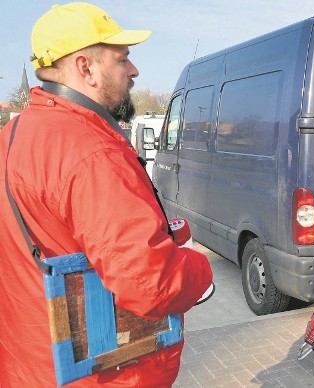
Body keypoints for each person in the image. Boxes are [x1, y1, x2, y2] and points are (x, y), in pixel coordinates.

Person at [0, 3, 213, 386]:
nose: (134, 71)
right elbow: (151, 283)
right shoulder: (89, 152)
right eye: (123, 59)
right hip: (102, 375)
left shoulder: (13, 137)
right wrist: (198, 267)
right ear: (86, 68)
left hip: (29, 364)